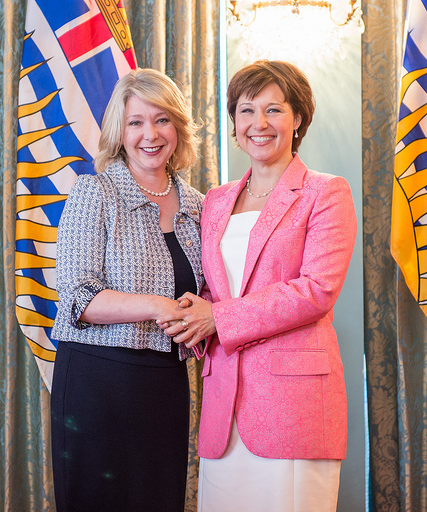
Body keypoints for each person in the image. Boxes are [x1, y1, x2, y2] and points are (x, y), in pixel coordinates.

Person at [157, 60, 357, 511]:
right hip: (223, 405)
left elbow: (316, 289)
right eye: (246, 111)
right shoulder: (216, 200)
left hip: (295, 405)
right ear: (234, 121)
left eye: (274, 110)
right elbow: (216, 287)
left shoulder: (326, 192)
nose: (258, 124)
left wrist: (217, 317)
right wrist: (196, 311)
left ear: (298, 118)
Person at [50, 68, 204, 512]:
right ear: (120, 131)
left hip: (166, 386)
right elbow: (77, 296)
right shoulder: (93, 193)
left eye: (162, 120)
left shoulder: (200, 204)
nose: (150, 134)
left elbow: (210, 289)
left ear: (177, 127)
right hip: (97, 382)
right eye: (136, 122)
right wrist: (158, 306)